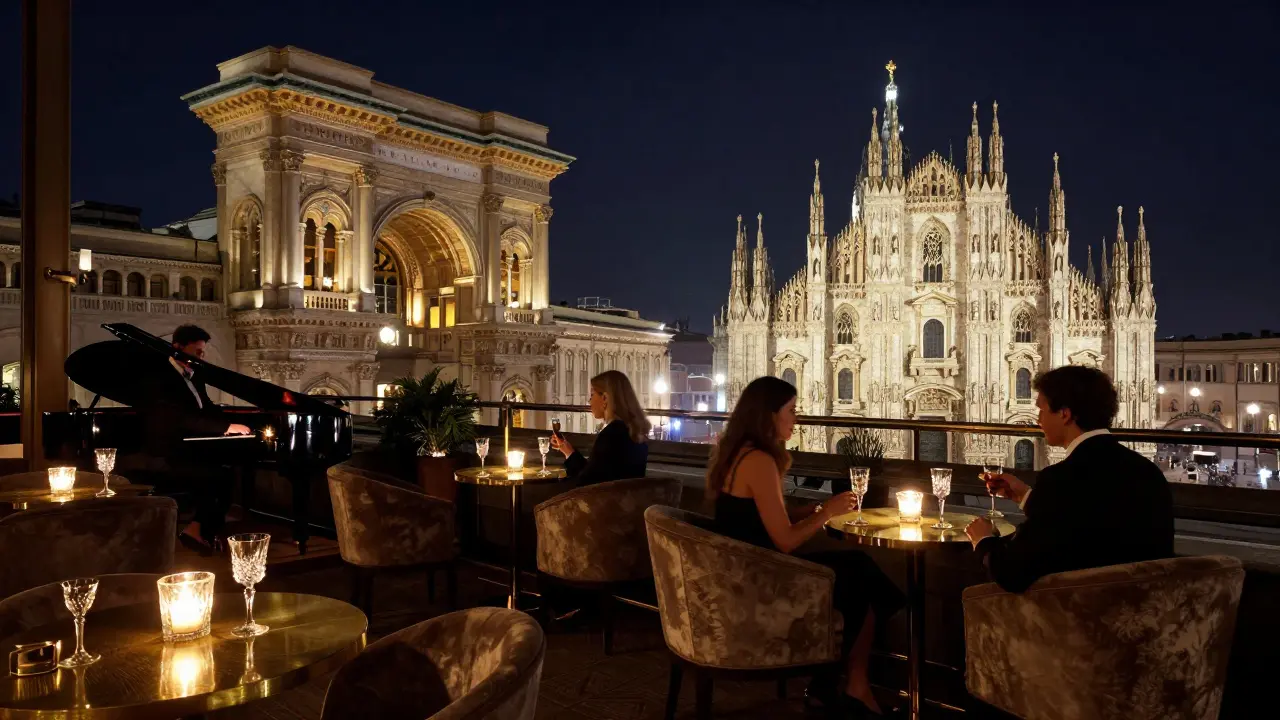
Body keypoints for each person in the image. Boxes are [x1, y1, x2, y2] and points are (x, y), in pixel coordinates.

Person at [708, 376, 903, 719]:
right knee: (860, 578)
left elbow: (760, 518)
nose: (796, 417)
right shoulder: (760, 462)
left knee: (859, 577)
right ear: (769, 416)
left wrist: (812, 511)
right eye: (791, 410)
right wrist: (827, 512)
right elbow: (784, 541)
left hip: (744, 571)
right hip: (760, 581)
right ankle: (847, 686)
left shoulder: (740, 454)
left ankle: (833, 685)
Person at [965, 365, 1174, 593]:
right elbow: (1084, 520)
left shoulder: (1059, 479)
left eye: (1042, 410)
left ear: (1064, 414)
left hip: (1082, 618)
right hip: (1147, 612)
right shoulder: (1148, 471)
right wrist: (1027, 497)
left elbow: (1012, 573)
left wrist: (983, 540)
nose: (1038, 420)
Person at [133, 324, 251, 553]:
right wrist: (226, 427)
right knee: (221, 477)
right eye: (197, 351)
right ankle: (199, 529)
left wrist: (237, 422)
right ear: (177, 348)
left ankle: (201, 529)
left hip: (187, 448)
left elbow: (205, 409)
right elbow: (182, 419)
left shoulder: (193, 377)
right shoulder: (160, 379)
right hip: (167, 452)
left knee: (224, 472)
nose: (201, 356)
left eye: (202, 352)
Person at [549, 370, 649, 486]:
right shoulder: (632, 431)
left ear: (605, 398)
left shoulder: (611, 435)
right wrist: (568, 451)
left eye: (592, 395)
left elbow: (587, 483)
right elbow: (595, 474)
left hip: (604, 502)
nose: (589, 401)